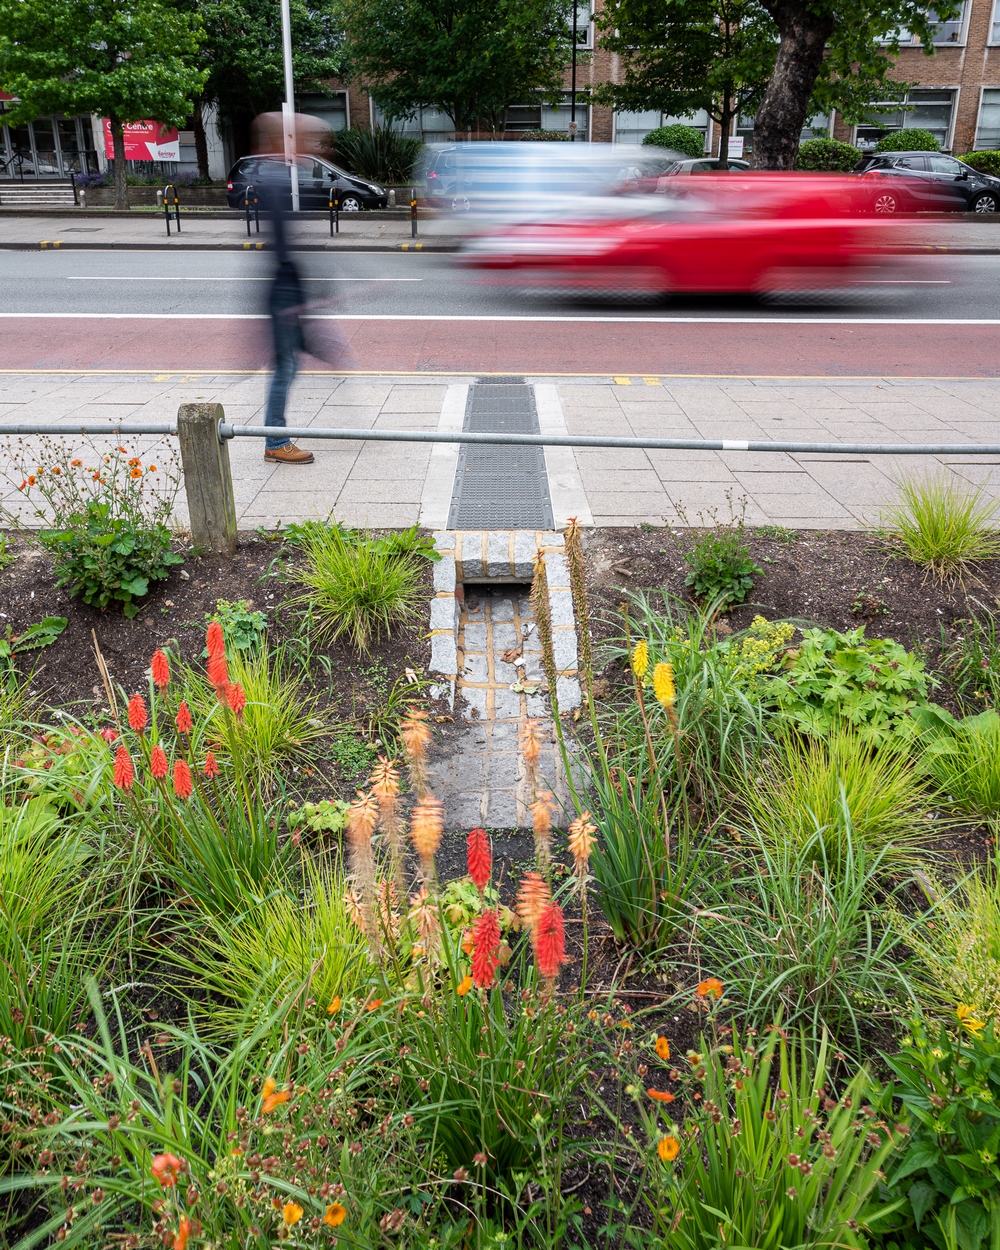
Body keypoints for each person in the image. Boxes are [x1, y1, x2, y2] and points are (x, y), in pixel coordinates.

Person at [251, 112, 327, 465]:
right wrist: (296, 299)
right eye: (301, 137)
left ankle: (276, 437)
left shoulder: (276, 177)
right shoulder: (277, 180)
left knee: (289, 365)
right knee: (285, 367)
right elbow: (282, 248)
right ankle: (276, 440)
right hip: (284, 293)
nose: (308, 144)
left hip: (286, 290)